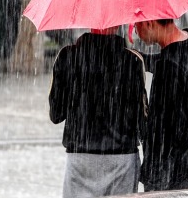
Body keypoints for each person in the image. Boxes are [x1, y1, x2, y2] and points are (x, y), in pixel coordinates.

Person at [49, 26, 148, 198]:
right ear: (117, 24)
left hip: (80, 157)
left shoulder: (67, 56)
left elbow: (56, 115)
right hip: (122, 157)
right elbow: (143, 121)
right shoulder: (133, 60)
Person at [134, 19, 188, 192]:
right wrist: (142, 59)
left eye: (136, 26)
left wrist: (154, 180)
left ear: (150, 23)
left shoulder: (169, 68)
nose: (136, 32)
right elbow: (177, 59)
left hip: (171, 176)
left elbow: (163, 130)